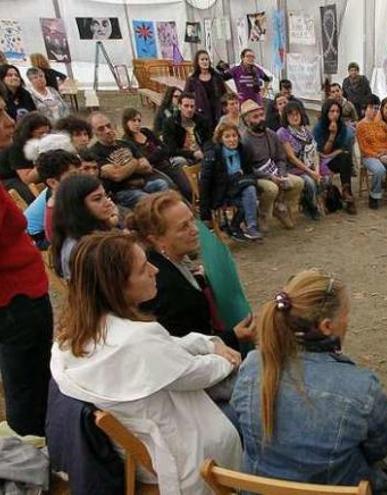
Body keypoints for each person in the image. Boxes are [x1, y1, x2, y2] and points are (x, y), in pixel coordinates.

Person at [50, 232, 242, 495]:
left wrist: (209, 343)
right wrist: (226, 359)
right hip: (181, 455)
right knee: (252, 408)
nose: (154, 270)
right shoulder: (136, 339)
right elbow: (195, 373)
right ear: (117, 285)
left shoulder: (70, 339)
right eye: (143, 269)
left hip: (132, 453)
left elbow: (165, 349)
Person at [232, 269, 387, 489]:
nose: (347, 321)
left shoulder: (252, 366)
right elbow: (379, 449)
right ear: (327, 326)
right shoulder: (361, 389)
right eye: (345, 316)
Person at [130, 191, 257, 348]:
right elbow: (178, 347)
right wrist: (234, 336)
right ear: (156, 239)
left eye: (192, 220)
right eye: (184, 227)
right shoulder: (160, 285)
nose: (195, 230)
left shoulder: (170, 260)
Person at [0, 99, 53, 437]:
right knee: (26, 382)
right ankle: (31, 459)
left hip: (20, 292)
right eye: (0, 114)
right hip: (14, 297)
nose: (9, 122)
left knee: (28, 378)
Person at [240, 99, 305, 231]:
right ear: (247, 121)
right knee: (271, 188)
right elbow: (247, 168)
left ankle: (280, 206)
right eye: (255, 117)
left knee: (298, 182)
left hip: (275, 171)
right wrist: (271, 177)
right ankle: (262, 215)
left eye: (261, 115)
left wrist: (281, 173)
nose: (260, 119)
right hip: (256, 175)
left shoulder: (271, 134)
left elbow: (280, 157)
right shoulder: (244, 140)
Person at [89, 112, 170, 208]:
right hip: (123, 191)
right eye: (101, 128)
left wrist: (124, 168)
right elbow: (117, 175)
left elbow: (147, 167)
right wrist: (134, 161)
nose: (107, 130)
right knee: (147, 200)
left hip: (144, 183)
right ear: (94, 132)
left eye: (108, 126)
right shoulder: (95, 152)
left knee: (163, 185)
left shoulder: (125, 143)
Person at [201, 122, 262, 241]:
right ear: (220, 139)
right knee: (246, 200)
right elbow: (205, 182)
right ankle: (234, 227)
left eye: (234, 136)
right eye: (227, 136)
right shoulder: (213, 155)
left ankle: (250, 227)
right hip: (220, 193)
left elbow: (250, 173)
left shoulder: (243, 151)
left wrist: (240, 177)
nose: (232, 140)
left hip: (239, 188)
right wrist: (205, 213)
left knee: (250, 189)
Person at [50, 174, 117, 279]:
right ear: (78, 206)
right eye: (97, 199)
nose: (108, 203)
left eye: (106, 196)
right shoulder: (79, 249)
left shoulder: (96, 229)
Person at [122, 108, 193, 202]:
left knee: (187, 188)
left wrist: (154, 155)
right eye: (133, 120)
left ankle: (192, 209)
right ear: (126, 122)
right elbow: (143, 161)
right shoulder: (127, 141)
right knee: (171, 189)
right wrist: (157, 152)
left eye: (139, 120)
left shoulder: (146, 132)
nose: (137, 123)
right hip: (153, 171)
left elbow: (165, 148)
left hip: (166, 165)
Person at [25, 147, 90, 247]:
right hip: (38, 238)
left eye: (80, 172)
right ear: (52, 182)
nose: (80, 178)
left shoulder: (64, 189)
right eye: (73, 175)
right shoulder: (57, 200)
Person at [356, 94, 387, 209]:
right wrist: (378, 156)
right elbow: (363, 148)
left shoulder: (382, 124)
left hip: (386, 153)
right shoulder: (360, 126)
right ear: (365, 109)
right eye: (372, 108)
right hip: (369, 156)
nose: (374, 111)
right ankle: (374, 196)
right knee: (379, 170)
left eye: (376, 108)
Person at [276, 102, 324, 220]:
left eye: (297, 114)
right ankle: (310, 207)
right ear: (286, 117)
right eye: (290, 115)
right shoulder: (283, 132)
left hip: (308, 165)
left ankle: (310, 203)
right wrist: (311, 172)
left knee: (324, 179)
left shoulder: (306, 131)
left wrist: (316, 170)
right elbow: (291, 158)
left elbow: (315, 152)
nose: (295, 117)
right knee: (309, 181)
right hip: (291, 168)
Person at [313, 99, 357, 214]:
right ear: (326, 112)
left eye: (337, 111)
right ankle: (346, 196)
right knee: (344, 156)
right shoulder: (319, 127)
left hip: (335, 159)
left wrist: (335, 152)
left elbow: (343, 148)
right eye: (332, 111)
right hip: (320, 162)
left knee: (346, 157)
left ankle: (347, 192)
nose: (335, 114)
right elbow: (322, 152)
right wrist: (332, 134)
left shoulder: (342, 126)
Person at [0, 111, 51, 204]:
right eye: (41, 133)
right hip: (9, 178)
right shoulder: (17, 146)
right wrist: (46, 158)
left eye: (47, 133)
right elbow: (27, 178)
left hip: (24, 175)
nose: (45, 137)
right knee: (28, 194)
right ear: (29, 133)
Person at [161, 92, 212, 169]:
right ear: (179, 106)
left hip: (201, 153)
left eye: (192, 106)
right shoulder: (170, 123)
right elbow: (170, 149)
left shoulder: (202, 121)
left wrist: (205, 151)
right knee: (180, 161)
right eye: (186, 106)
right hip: (182, 156)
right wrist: (192, 154)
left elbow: (208, 140)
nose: (189, 109)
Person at [184, 50, 228, 129]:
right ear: (197, 62)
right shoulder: (192, 79)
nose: (205, 62)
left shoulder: (216, 76)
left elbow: (224, 93)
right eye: (202, 59)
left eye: (206, 59)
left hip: (217, 112)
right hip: (201, 112)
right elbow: (186, 95)